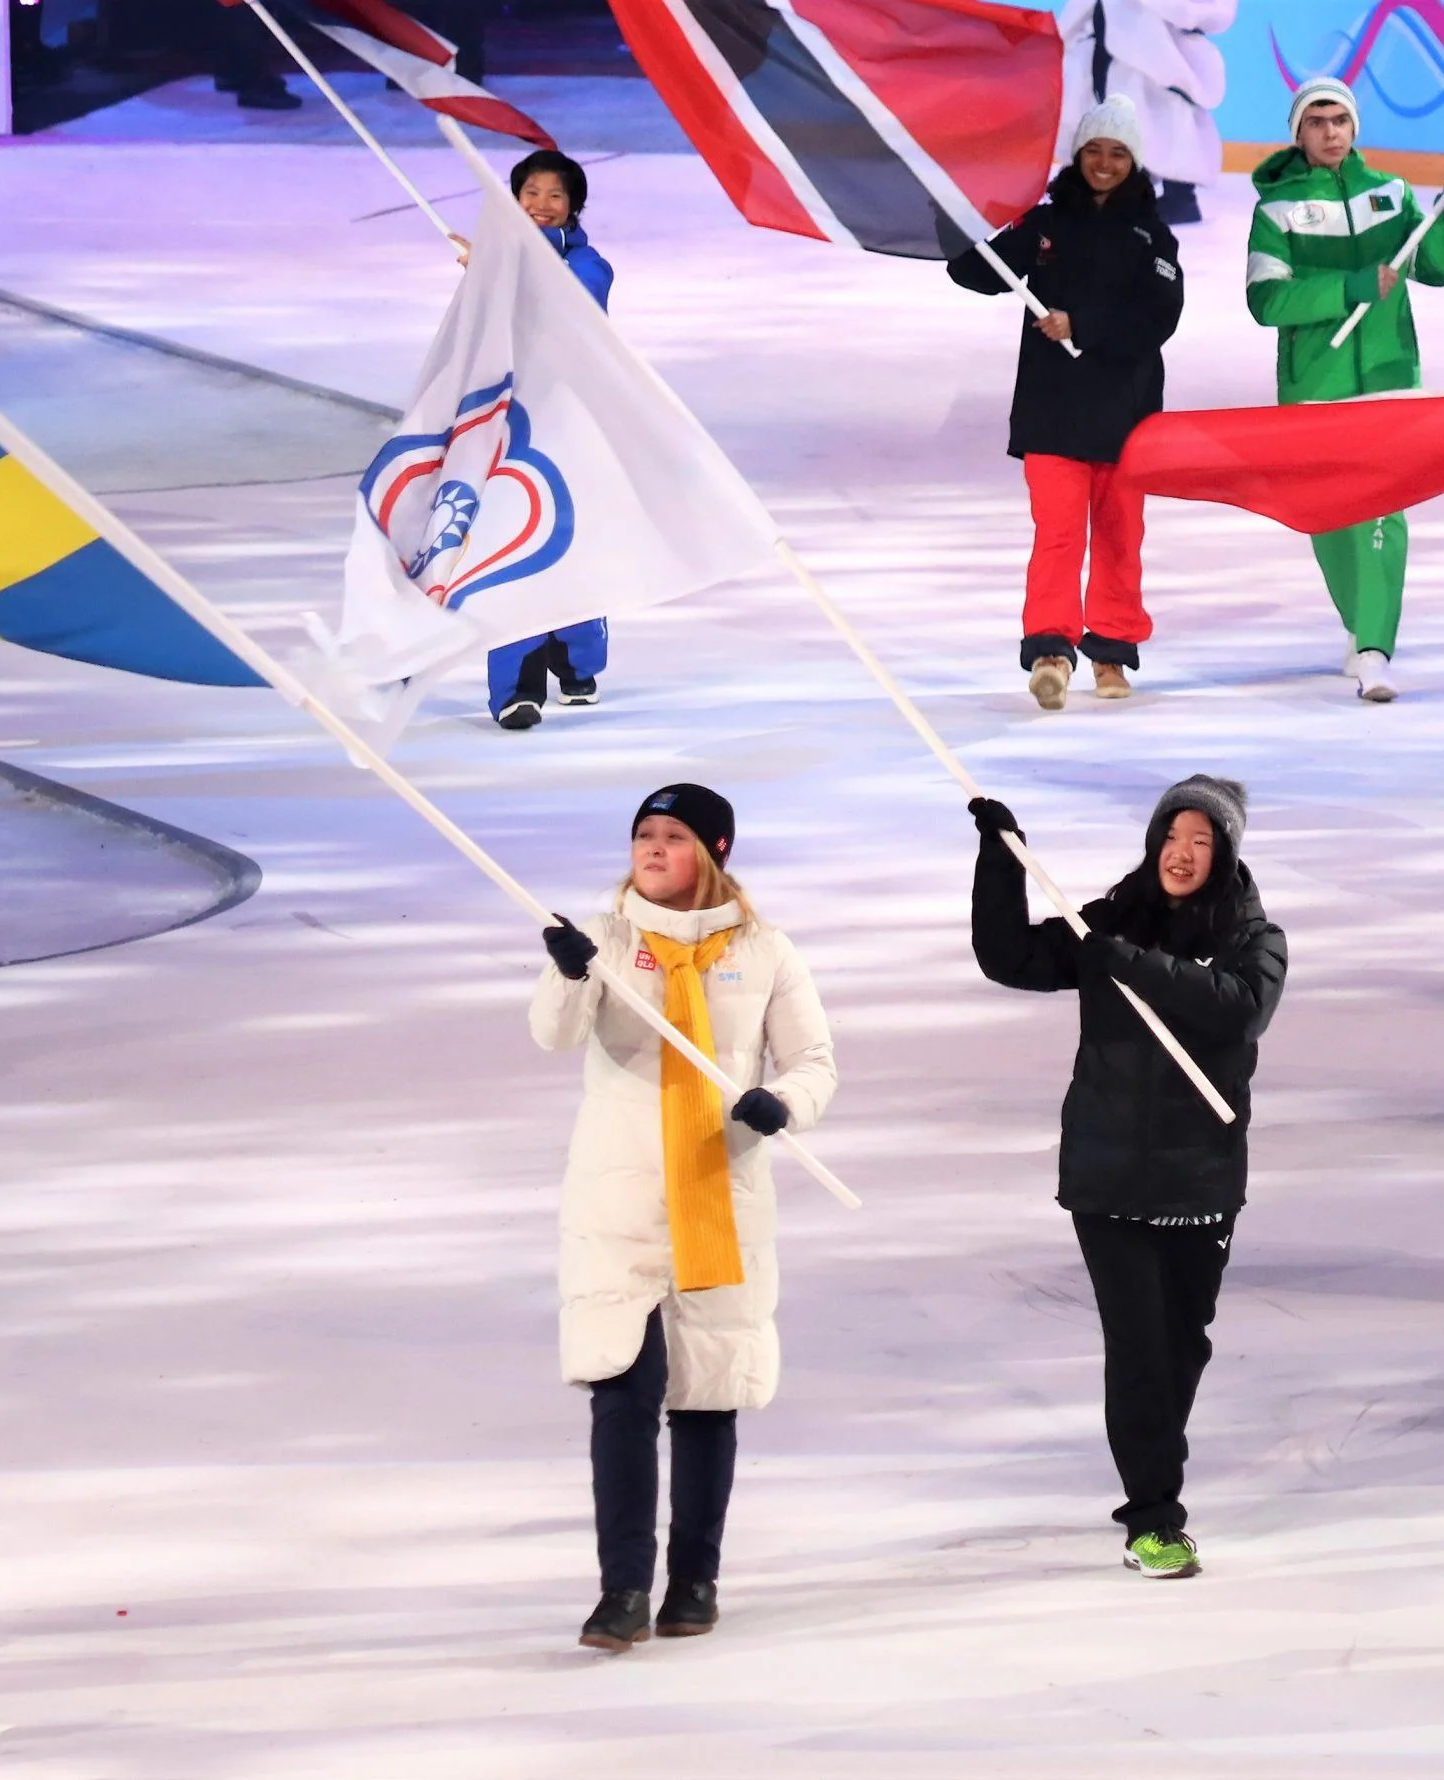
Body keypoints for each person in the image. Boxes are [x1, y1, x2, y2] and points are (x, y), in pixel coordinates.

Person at [531, 784, 839, 1648]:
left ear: (716, 851)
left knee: (708, 1394)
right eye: (642, 834)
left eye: (673, 836)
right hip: (620, 1201)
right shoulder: (603, 939)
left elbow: (813, 1061)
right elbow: (554, 1035)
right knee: (621, 1390)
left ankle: (694, 1578)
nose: (652, 849)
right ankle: (621, 1588)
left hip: (718, 1195)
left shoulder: (763, 951)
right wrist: (566, 975)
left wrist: (783, 1103)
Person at [969, 776, 1287, 1578]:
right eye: (1170, 838)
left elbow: (1236, 1009)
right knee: (1141, 1348)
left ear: (1225, 854)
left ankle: (1153, 1468)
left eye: (1201, 841)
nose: (1181, 854)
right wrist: (1001, 861)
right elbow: (1008, 958)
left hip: (1200, 1181)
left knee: (1183, 1346)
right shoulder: (1109, 921)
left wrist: (1133, 965)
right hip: (1109, 1177)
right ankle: (1153, 1513)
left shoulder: (1256, 938)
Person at [1245, 77, 1444, 703]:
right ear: (1298, 132)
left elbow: (1432, 266)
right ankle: (1358, 624)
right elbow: (1265, 300)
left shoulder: (1391, 192)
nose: (1330, 133)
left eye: (1340, 121)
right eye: (1318, 122)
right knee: (1328, 512)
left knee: (1384, 507)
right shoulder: (1276, 208)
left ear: (1354, 128)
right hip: (1313, 383)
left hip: (1386, 376)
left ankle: (1376, 645)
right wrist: (1346, 287)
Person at [949, 97, 1184, 710]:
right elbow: (977, 273)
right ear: (1078, 155)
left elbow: (1158, 317)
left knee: (1118, 535)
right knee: (1057, 533)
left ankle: (1111, 651)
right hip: (1052, 411)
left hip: (1126, 415)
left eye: (1117, 153)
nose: (1104, 163)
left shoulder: (1152, 235)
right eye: (1094, 151)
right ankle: (1052, 648)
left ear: (1134, 163)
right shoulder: (1046, 223)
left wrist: (1078, 323)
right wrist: (960, 216)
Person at [480, 149, 615, 731]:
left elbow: (572, 311)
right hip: (506, 429)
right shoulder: (494, 261)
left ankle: (575, 659)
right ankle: (517, 686)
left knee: (568, 542)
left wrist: (510, 269)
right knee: (511, 547)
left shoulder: (590, 266)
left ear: (573, 207)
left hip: (571, 425)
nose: (539, 204)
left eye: (554, 196)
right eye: (529, 193)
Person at [1056, 1, 1233, 226]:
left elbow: (1209, 10)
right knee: (1123, 109)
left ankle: (1180, 195)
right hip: (1117, 35)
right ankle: (1131, 187)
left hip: (1162, 40)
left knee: (1168, 111)